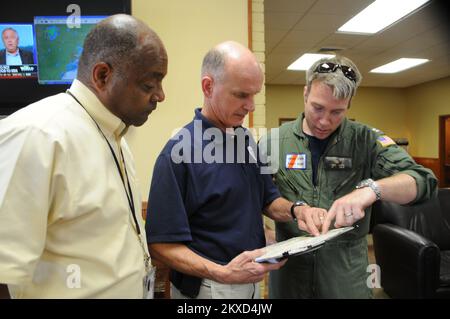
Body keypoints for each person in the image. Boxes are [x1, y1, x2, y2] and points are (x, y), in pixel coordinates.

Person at [0, 14, 167, 298]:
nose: (160, 96)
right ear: (103, 76)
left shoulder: (115, 136)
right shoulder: (38, 135)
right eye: (149, 85)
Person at [145, 41, 322, 299]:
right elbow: (160, 245)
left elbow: (269, 200)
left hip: (251, 283)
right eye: (241, 95)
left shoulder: (246, 140)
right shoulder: (177, 154)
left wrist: (298, 210)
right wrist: (222, 272)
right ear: (208, 87)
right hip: (209, 288)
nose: (250, 106)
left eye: (254, 95)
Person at [260, 55, 438, 299]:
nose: (324, 121)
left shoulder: (365, 140)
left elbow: (423, 180)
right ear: (305, 94)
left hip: (346, 278)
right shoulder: (272, 142)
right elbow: (249, 196)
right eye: (317, 107)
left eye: (337, 112)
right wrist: (263, 231)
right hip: (291, 278)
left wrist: (371, 190)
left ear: (349, 104)